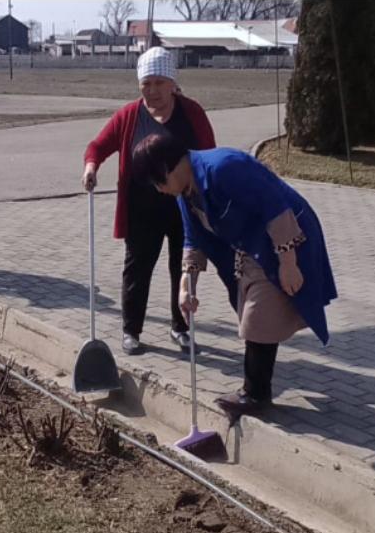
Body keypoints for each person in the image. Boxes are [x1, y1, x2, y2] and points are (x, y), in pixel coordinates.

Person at [131, 133, 338, 421]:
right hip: (253, 249)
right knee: (254, 317)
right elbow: (194, 239)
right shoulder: (186, 193)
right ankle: (257, 389)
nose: (159, 189)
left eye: (158, 181)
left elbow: (275, 207)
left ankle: (255, 394)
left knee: (258, 318)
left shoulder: (224, 167)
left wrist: (289, 263)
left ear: (170, 167)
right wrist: (185, 285)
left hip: (289, 239)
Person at [82, 46, 216, 356]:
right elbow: (98, 145)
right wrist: (91, 166)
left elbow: (209, 155)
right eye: (146, 83)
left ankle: (180, 327)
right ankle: (131, 330)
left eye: (159, 82)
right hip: (142, 209)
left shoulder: (191, 113)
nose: (152, 90)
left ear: (172, 83)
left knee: (182, 268)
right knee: (137, 269)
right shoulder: (130, 115)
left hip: (184, 207)